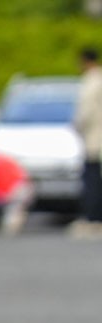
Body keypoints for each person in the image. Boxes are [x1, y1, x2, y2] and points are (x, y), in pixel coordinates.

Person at [73, 47, 102, 238]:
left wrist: (76, 127)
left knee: (92, 182)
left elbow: (84, 114)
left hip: (94, 140)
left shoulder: (91, 82)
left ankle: (93, 219)